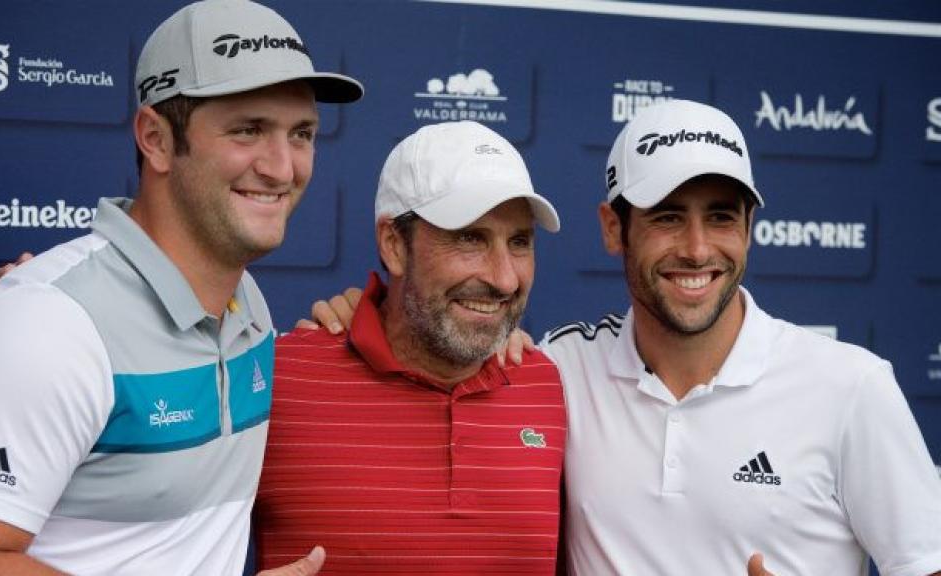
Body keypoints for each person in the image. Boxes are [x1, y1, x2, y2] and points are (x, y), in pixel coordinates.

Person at [0, 0, 362, 574]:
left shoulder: (245, 301)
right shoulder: (42, 325)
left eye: (300, 134)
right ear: (155, 138)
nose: (282, 167)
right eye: (248, 130)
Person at [542, 99, 941, 575]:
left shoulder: (852, 387)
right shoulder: (560, 370)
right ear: (614, 229)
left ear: (749, 228)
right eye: (668, 217)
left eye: (721, 217)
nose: (696, 249)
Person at [254, 121, 568, 574]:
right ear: (394, 245)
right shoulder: (277, 379)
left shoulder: (548, 383)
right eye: (470, 238)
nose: (504, 278)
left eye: (519, 242)